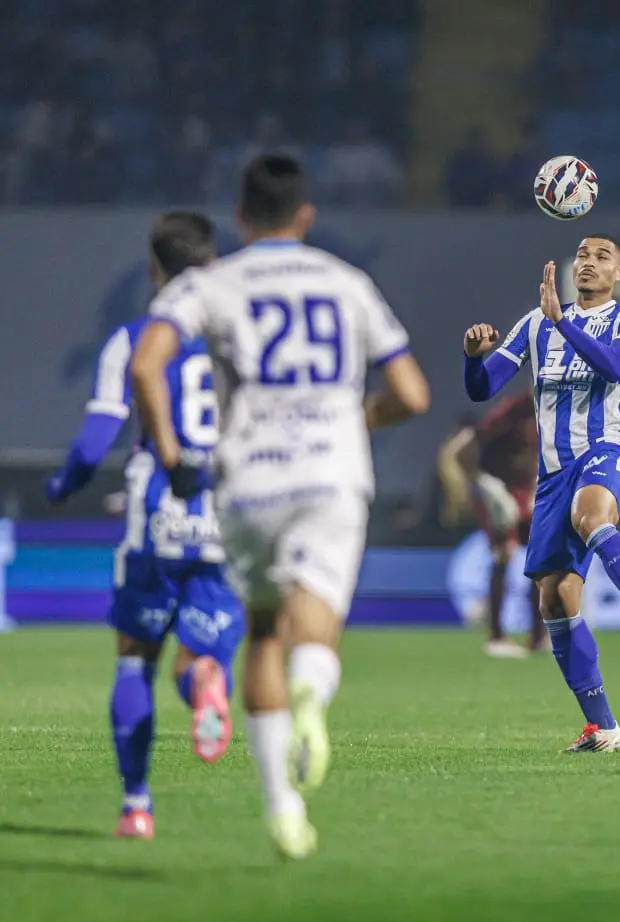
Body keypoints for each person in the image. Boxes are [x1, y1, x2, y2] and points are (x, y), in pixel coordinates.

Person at [129, 154, 430, 859]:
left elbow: (147, 363)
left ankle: (280, 805)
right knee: (314, 613)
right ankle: (310, 694)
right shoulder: (346, 281)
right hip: (330, 471)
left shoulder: (212, 282)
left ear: (238, 216)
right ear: (305, 216)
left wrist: (172, 454)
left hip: (246, 479)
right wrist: (355, 417)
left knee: (262, 627)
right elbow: (413, 394)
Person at [45, 211, 244, 840]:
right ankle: (206, 678)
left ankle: (136, 806)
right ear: (212, 264)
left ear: (154, 271)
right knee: (199, 650)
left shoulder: (135, 338)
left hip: (159, 502)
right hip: (227, 509)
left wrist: (64, 484)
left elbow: (94, 439)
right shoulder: (238, 338)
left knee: (134, 659)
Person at [462, 235, 620, 753]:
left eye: (602, 257)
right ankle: (602, 727)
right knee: (555, 598)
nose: (589, 263)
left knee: (592, 516)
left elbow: (616, 368)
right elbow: (482, 387)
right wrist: (473, 357)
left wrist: (563, 324)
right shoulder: (537, 321)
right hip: (552, 473)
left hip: (606, 450)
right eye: (583, 255)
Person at [444, 391, 547, 658]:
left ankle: (538, 636)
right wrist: (488, 487)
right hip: (500, 491)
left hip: (528, 490)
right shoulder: (513, 410)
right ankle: (496, 636)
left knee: (542, 557)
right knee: (504, 553)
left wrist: (538, 487)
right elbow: (463, 451)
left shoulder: (558, 411)